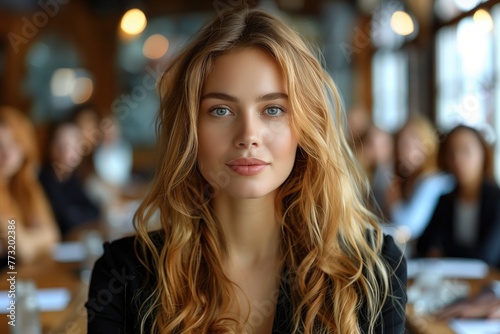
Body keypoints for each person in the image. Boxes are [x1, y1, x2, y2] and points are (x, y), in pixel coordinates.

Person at [87, 8, 407, 334]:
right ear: (190, 130)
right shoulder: (125, 274)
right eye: (221, 110)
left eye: (273, 109)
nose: (248, 136)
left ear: (306, 126)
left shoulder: (373, 267)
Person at [417, 125, 500, 267]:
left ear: (483, 154)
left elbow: (486, 256)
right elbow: (424, 245)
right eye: (451, 153)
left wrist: (443, 249)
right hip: (450, 283)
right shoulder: (445, 200)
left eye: (465, 151)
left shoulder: (496, 200)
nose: (458, 159)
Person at [0, 106, 60, 264]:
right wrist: (36, 239)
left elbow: (53, 236)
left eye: (14, 144)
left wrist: (30, 239)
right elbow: (21, 250)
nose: (6, 153)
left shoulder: (25, 184)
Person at [385, 115, 454, 243]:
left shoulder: (433, 181)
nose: (405, 149)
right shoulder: (410, 179)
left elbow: (408, 228)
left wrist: (393, 198)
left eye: (415, 140)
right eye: (402, 142)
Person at [39, 120, 100, 237]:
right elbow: (67, 221)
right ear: (50, 147)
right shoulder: (45, 179)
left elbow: (95, 210)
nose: (67, 153)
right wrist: (77, 213)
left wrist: (76, 213)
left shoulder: (72, 177)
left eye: (73, 146)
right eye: (61, 146)